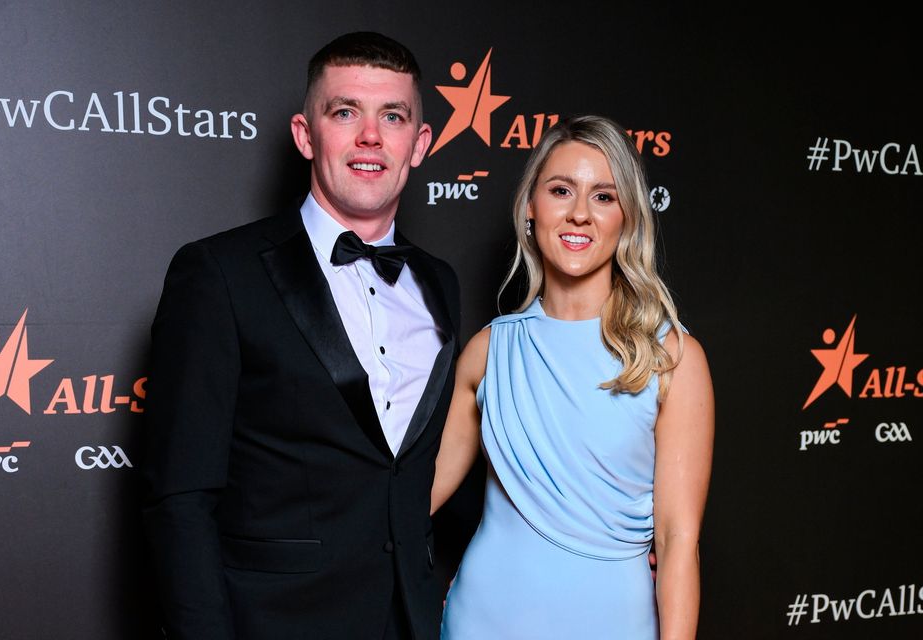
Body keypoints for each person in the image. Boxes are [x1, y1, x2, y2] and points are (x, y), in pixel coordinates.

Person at [140, 32, 459, 640]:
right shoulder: (218, 273)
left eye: (392, 116)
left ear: (418, 144)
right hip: (273, 623)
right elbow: (180, 499)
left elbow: (413, 468)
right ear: (305, 134)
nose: (370, 136)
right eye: (345, 112)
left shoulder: (440, 282)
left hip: (411, 621)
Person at [431, 115, 714, 639]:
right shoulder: (491, 350)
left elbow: (678, 539)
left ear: (628, 217)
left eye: (604, 197)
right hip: (481, 621)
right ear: (530, 208)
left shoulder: (672, 357)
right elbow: (409, 499)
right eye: (561, 190)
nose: (580, 214)